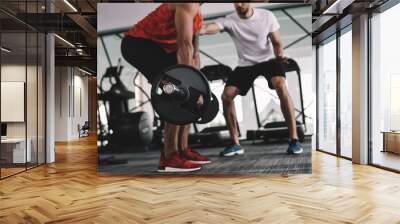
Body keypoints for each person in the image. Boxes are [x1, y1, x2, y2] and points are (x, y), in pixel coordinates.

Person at [200, 3, 303, 156]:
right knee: (226, 96)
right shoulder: (230, 20)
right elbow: (211, 27)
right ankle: (235, 143)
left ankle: (294, 139)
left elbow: (277, 42)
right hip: (246, 64)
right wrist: (199, 29)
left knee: (280, 85)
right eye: (237, 2)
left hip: (269, 60)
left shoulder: (267, 16)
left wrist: (279, 54)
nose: (240, 4)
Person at [121, 3, 210, 172]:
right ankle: (170, 157)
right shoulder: (188, 4)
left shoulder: (198, 15)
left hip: (162, 50)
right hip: (138, 45)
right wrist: (187, 87)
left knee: (188, 96)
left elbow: (194, 52)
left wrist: (197, 87)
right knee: (178, 93)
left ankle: (183, 150)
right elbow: (185, 45)